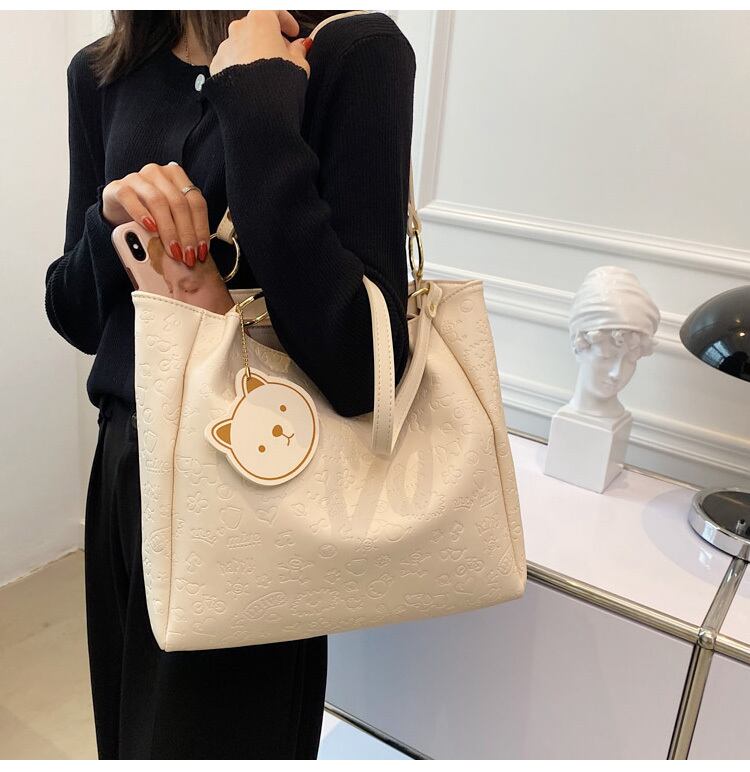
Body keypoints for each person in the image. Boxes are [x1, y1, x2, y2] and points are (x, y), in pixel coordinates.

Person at [44, 9, 416, 759]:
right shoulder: (103, 71)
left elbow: (362, 369)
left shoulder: (349, 51)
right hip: (125, 468)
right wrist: (111, 223)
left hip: (259, 479)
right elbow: (75, 314)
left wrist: (256, 100)